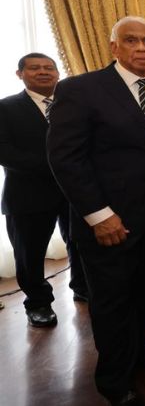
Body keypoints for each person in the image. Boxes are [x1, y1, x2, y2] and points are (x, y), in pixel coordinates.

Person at [47, 16, 145, 405]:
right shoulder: (80, 89)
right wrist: (97, 214)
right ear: (114, 48)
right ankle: (113, 379)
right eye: (131, 41)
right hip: (110, 221)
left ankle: (141, 352)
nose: (141, 48)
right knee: (111, 301)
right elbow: (66, 158)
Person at [0, 53, 87, 328]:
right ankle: (38, 304)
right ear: (20, 74)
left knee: (80, 243)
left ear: (58, 73)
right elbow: (5, 151)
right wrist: (57, 165)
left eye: (49, 68)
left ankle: (82, 288)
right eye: (35, 68)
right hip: (28, 195)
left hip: (74, 192)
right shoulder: (6, 107)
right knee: (30, 254)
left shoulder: (73, 105)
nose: (43, 72)